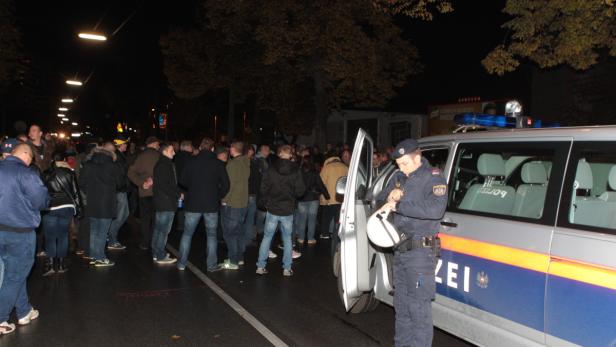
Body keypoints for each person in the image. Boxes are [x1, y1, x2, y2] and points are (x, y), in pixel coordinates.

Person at [377, 139, 447, 347]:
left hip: (421, 254)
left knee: (418, 310)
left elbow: (435, 209)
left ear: (418, 158)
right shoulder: (398, 177)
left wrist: (400, 204)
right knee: (402, 307)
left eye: (405, 164)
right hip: (400, 251)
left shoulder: (433, 177)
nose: (401, 168)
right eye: (398, 164)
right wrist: (389, 195)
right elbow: (380, 199)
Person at [0, 143, 49, 334]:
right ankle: (1, 319)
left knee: (14, 273)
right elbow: (41, 201)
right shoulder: (26, 173)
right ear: (26, 155)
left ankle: (23, 311)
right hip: (19, 232)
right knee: (15, 276)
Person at [177, 138, 230, 272]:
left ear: (200, 148)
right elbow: (226, 184)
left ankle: (181, 263)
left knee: (187, 234)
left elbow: (182, 181)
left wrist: (193, 189)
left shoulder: (191, 161)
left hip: (193, 203)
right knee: (211, 235)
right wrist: (217, 195)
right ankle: (211, 265)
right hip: (211, 204)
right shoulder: (218, 164)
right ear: (212, 149)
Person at [256, 145, 305, 277]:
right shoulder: (296, 170)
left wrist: (266, 201)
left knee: (267, 237)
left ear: (279, 154)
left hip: (272, 208)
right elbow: (301, 191)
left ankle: (260, 266)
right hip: (287, 209)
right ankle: (287, 268)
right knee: (287, 239)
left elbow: (263, 188)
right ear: (290, 155)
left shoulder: (271, 168)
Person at [79, 147, 122, 267]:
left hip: (92, 202)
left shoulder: (88, 165)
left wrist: (90, 192)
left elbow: (81, 182)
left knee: (94, 231)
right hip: (107, 202)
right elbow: (120, 183)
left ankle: (94, 256)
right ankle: (100, 257)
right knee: (102, 232)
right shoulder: (112, 166)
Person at [41, 151, 82, 275]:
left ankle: (51, 265)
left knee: (50, 237)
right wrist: (79, 208)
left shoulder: (46, 173)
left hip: (51, 207)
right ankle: (62, 264)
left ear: (52, 160)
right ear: (64, 159)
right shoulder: (70, 173)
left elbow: (41, 192)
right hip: (66, 206)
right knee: (63, 235)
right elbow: (76, 192)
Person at [128, 136, 161, 250]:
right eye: (158, 144)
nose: (159, 146)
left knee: (145, 219)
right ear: (154, 144)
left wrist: (141, 183)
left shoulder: (140, 156)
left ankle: (145, 242)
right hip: (157, 192)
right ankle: (155, 242)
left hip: (144, 192)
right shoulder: (159, 156)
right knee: (156, 219)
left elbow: (131, 172)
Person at [221, 141, 250, 269]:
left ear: (233, 149)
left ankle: (233, 261)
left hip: (232, 203)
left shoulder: (232, 164)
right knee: (238, 232)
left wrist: (224, 199)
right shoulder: (246, 162)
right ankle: (239, 258)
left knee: (229, 234)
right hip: (243, 202)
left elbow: (229, 185)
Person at [151, 143, 180, 264]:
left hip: (163, 201)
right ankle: (160, 255)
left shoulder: (163, 164)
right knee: (163, 230)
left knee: (159, 229)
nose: (174, 153)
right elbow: (164, 185)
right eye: (171, 150)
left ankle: (156, 252)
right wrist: (177, 194)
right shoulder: (164, 165)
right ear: (164, 152)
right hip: (166, 202)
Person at [319, 150, 348, 257]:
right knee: (338, 218)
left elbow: (321, 181)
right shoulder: (345, 167)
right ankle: (336, 233)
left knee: (326, 217)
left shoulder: (327, 167)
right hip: (341, 198)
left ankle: (325, 234)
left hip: (329, 198)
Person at [295, 155, 329, 245]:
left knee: (302, 219)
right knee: (312, 219)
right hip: (313, 198)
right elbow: (321, 185)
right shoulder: (314, 173)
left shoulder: (299, 172)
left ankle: (301, 238)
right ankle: (310, 239)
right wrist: (327, 196)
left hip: (302, 198)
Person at [106, 140, 130, 250]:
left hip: (121, 189)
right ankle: (112, 239)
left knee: (124, 214)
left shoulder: (121, 156)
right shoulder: (117, 157)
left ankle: (110, 236)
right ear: (120, 145)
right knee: (121, 215)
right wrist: (120, 187)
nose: (127, 146)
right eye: (125, 144)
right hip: (119, 190)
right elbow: (118, 175)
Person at [173, 140, 194, 232]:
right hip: (188, 185)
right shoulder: (191, 158)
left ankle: (180, 225)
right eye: (191, 146)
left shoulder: (175, 157)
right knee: (188, 206)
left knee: (180, 206)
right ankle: (187, 226)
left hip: (177, 185)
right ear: (188, 147)